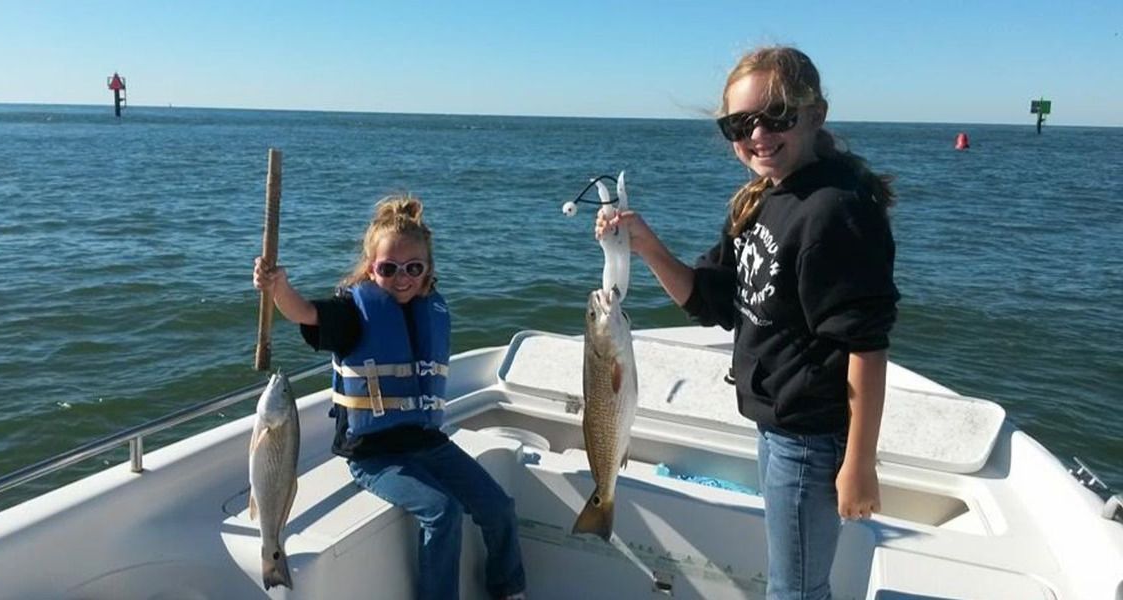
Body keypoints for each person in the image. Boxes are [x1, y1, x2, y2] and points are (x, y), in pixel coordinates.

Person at [597, 46, 898, 599]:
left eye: (776, 115)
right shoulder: (762, 199)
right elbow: (710, 301)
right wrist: (644, 245)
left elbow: (866, 344)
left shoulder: (835, 211)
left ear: (816, 114)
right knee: (793, 582)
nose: (757, 133)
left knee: (796, 590)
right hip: (776, 426)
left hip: (810, 436)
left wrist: (859, 463)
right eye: (740, 122)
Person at [253, 195, 526, 600]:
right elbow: (304, 312)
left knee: (499, 506)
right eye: (388, 269)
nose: (402, 278)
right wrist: (278, 287)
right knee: (442, 512)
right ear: (370, 269)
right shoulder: (352, 313)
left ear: (428, 271)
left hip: (430, 444)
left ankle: (508, 589)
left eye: (414, 268)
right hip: (374, 456)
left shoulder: (429, 307)